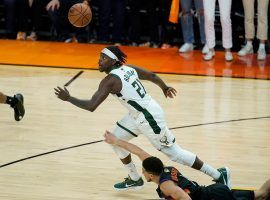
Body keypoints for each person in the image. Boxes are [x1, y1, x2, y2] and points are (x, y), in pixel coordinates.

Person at [54, 46, 230, 191]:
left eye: (103, 58)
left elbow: (92, 106)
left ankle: (217, 174)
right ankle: (134, 178)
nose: (99, 60)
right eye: (99, 57)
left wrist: (68, 98)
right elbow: (152, 76)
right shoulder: (129, 69)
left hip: (149, 117)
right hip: (139, 113)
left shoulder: (109, 80)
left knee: (174, 153)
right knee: (116, 140)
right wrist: (164, 87)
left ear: (113, 61)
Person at [104, 131, 270, 200]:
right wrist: (116, 141)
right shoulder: (161, 168)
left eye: (143, 172)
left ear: (151, 175)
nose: (143, 173)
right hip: (213, 192)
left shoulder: (166, 186)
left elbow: (185, 198)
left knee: (262, 194)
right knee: (262, 194)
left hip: (214, 198)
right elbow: (139, 152)